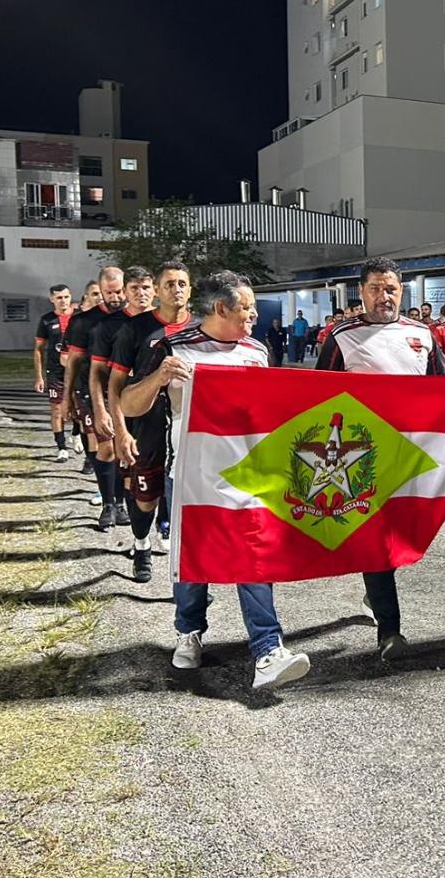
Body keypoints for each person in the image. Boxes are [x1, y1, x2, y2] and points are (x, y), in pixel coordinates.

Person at [121, 270, 311, 689]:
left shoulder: (257, 352)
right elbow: (130, 405)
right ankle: (189, 631)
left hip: (248, 475)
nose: (254, 314)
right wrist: (158, 378)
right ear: (222, 307)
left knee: (254, 557)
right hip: (191, 473)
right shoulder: (170, 347)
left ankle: (267, 650)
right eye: (247, 307)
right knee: (194, 564)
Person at [314, 257, 445, 660]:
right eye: (375, 288)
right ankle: (390, 632)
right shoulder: (341, 337)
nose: (383, 296)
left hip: (408, 456)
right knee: (374, 540)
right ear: (362, 291)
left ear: (401, 291)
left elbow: (443, 392)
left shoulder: (422, 335)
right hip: (360, 459)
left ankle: (376, 594)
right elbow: (318, 396)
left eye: (390, 288)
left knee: (398, 535)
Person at [110, 261, 192, 579]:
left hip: (186, 424)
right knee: (146, 499)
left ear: (190, 289)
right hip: (146, 424)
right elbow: (116, 383)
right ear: (157, 290)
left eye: (182, 283)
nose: (176, 289)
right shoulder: (135, 329)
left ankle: (187, 571)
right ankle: (141, 542)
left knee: (188, 496)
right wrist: (120, 430)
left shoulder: (201, 328)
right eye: (169, 284)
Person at [87, 266, 153, 535]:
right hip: (114, 400)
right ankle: (108, 503)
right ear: (126, 292)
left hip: (149, 405)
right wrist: (100, 410)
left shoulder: (161, 322)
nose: (140, 293)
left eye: (145, 287)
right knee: (108, 451)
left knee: (137, 460)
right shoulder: (108, 326)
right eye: (134, 288)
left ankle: (130, 511)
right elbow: (96, 373)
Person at [63, 267, 127, 531]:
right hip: (94, 393)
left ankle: (122, 503)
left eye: (120, 291)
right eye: (109, 293)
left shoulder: (135, 318)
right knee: (107, 448)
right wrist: (67, 397)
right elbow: (74, 362)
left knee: (125, 451)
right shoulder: (84, 322)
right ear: (100, 292)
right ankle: (108, 504)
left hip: (127, 392)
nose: (115, 297)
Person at [34, 283, 73, 461]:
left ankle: (79, 434)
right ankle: (62, 447)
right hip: (55, 372)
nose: (63, 301)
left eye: (65, 297)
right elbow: (39, 349)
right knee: (56, 409)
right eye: (59, 298)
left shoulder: (80, 317)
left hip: (78, 371)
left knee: (79, 409)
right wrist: (39, 377)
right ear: (52, 299)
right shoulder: (47, 320)